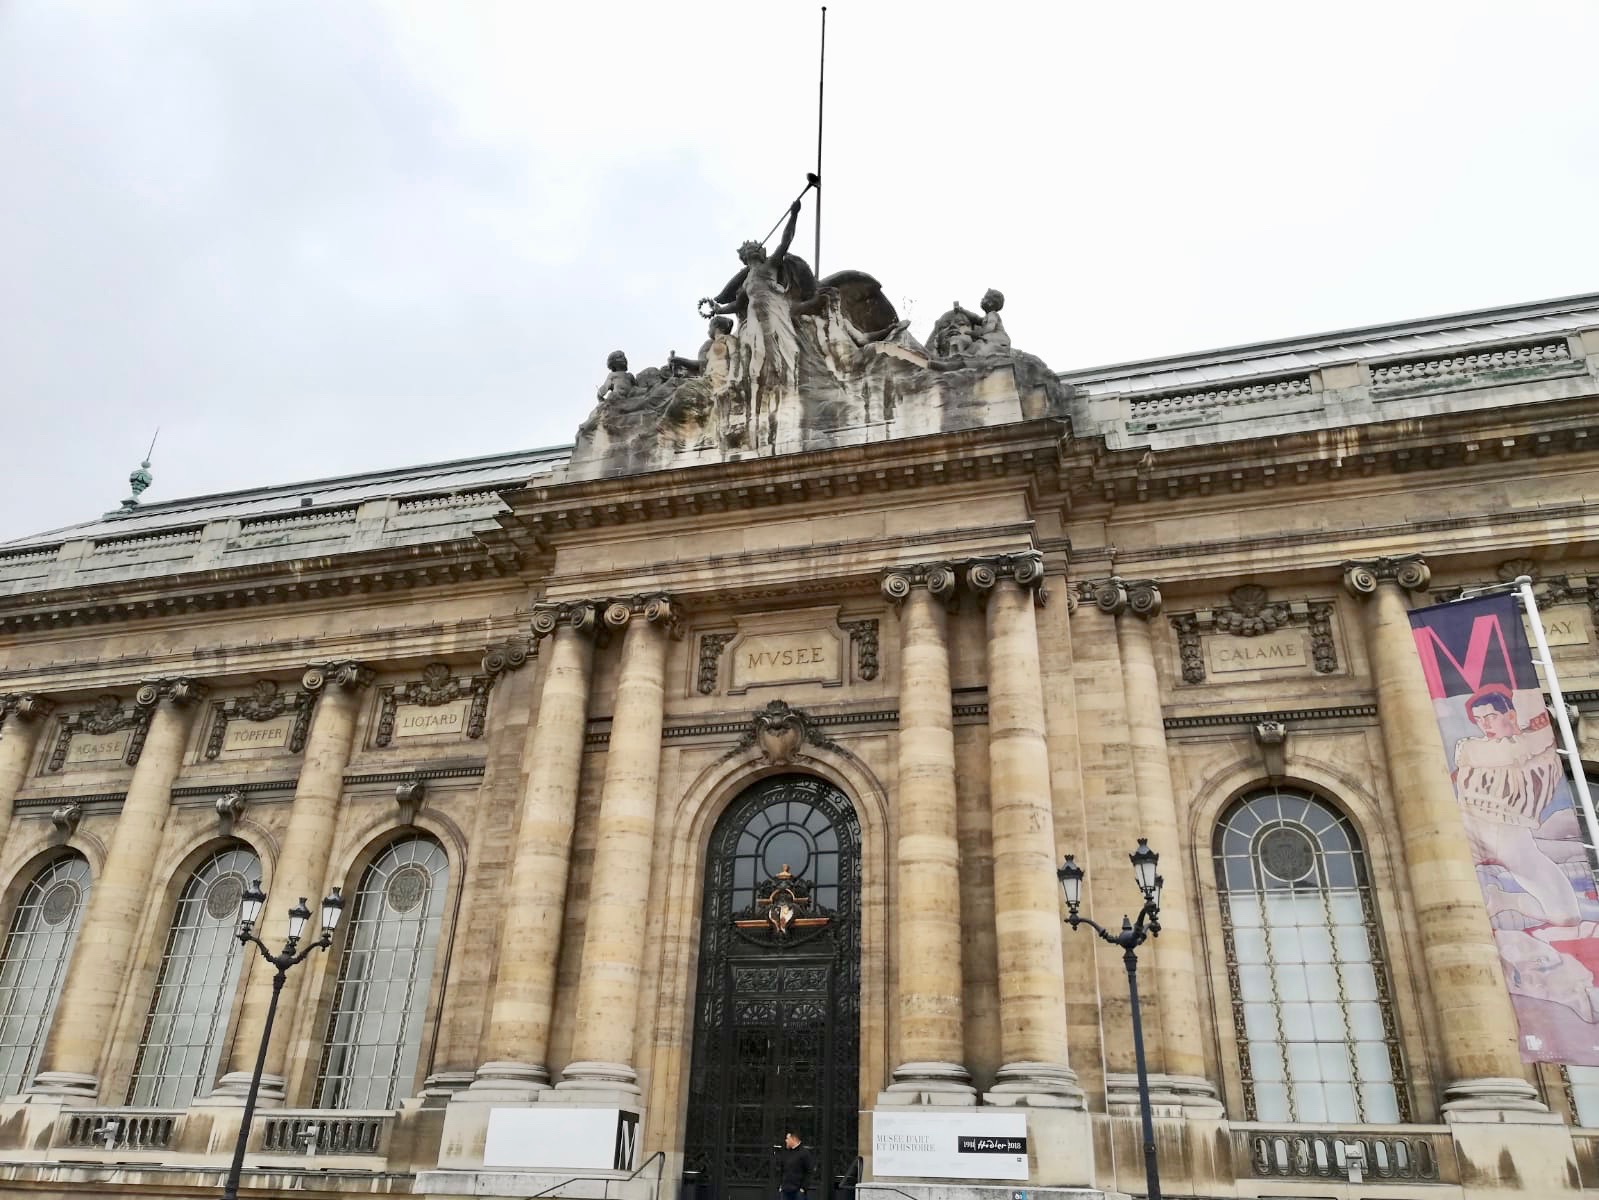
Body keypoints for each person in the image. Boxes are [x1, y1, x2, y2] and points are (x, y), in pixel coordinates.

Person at [779, 1129, 812, 1200]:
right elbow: (782, 1169)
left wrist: (803, 1188)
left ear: (793, 1139)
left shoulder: (804, 1153)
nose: (786, 1140)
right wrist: (781, 1185)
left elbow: (809, 1171)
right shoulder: (786, 1152)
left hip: (798, 1192)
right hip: (785, 1191)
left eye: (787, 1138)